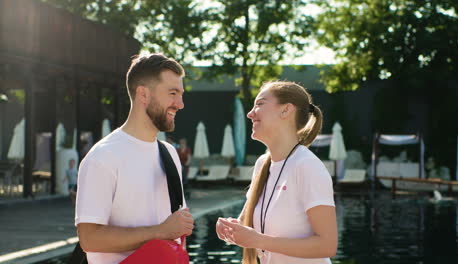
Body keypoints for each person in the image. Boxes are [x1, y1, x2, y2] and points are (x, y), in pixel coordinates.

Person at [75, 53, 194, 264]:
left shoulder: (169, 154)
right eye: (172, 93)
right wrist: (160, 231)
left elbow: (174, 230)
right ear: (143, 94)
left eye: (181, 94)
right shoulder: (103, 157)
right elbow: (89, 239)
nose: (180, 104)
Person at [216, 81, 337, 264]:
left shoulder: (307, 166)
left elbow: (327, 245)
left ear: (286, 110)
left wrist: (258, 240)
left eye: (260, 104)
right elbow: (252, 227)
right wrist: (233, 229)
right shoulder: (262, 165)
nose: (250, 113)